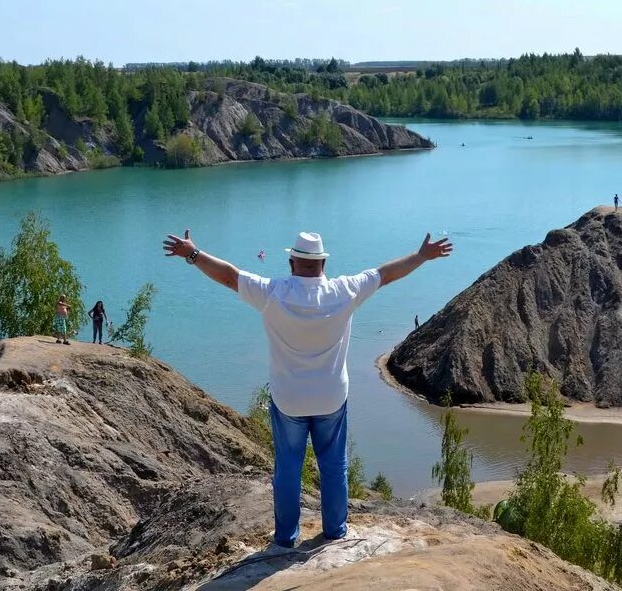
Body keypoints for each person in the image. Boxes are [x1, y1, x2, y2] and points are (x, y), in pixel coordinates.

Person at [163, 228, 453, 548]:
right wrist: (422, 256)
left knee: (288, 468)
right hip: (330, 396)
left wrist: (192, 254)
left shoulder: (272, 293)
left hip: (289, 399)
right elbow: (385, 274)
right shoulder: (345, 291)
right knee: (334, 466)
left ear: (291, 263)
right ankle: (335, 531)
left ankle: (286, 537)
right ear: (323, 264)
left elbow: (230, 277)